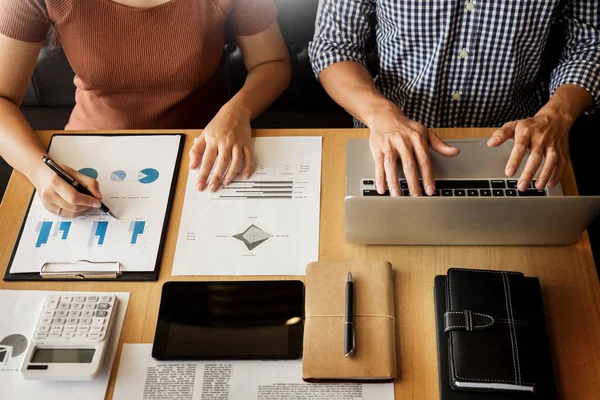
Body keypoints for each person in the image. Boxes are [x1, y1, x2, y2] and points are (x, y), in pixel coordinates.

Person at [0, 0, 291, 218]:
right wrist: (40, 171)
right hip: (87, 161)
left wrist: (236, 111)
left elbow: (272, 63)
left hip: (204, 153)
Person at [309, 0, 599, 197]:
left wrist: (558, 114)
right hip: (386, 138)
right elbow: (334, 44)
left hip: (517, 145)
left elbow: (591, 43)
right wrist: (380, 115)